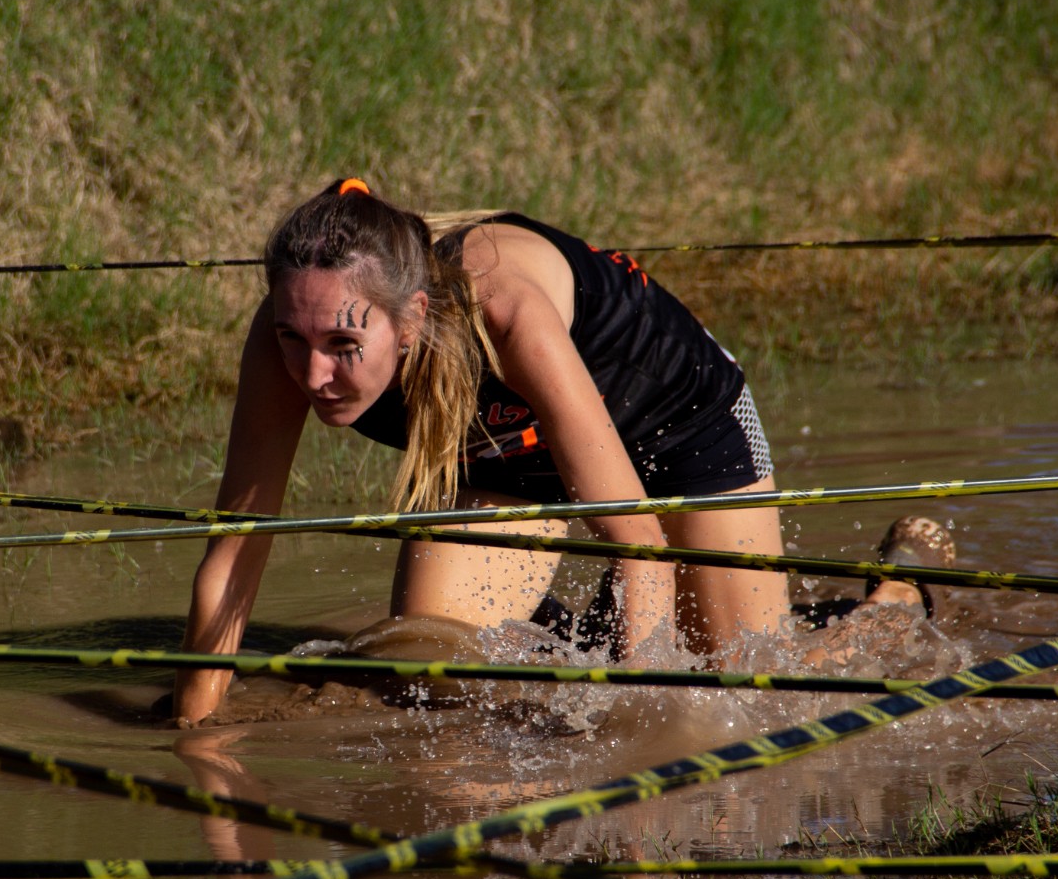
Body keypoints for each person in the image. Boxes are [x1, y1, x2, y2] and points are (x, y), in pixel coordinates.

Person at [173, 179, 926, 728]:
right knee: (430, 671)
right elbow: (237, 551)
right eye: (293, 341)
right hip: (516, 451)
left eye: (343, 346)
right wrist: (194, 731)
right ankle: (590, 634)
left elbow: (636, 540)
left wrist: (641, 727)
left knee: (744, 690)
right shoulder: (288, 332)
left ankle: (897, 598)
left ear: (412, 320)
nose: (312, 375)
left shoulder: (505, 311)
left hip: (682, 422)